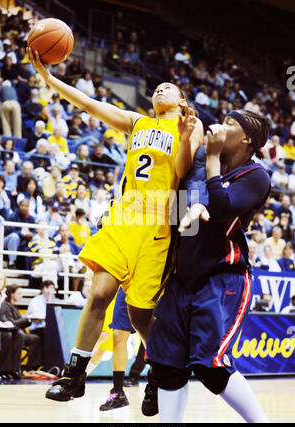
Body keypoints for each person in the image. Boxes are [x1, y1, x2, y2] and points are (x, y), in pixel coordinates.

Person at [27, 48, 203, 401]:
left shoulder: (190, 126)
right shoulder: (138, 122)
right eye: (157, 87)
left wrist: (184, 138)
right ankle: (75, 375)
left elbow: (183, 173)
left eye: (168, 87)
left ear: (184, 102)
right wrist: (49, 79)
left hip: (160, 225)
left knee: (140, 315)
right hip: (124, 218)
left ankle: (162, 372)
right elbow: (90, 105)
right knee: (100, 293)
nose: (159, 90)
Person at [145, 109, 271, 423]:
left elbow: (222, 206)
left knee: (209, 365)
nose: (220, 126)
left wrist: (212, 160)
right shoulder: (200, 165)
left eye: (230, 123)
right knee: (167, 365)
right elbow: (181, 218)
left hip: (223, 278)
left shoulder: (256, 176)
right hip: (182, 278)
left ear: (246, 139)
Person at [2, 285, 43, 370]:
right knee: (35, 339)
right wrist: (28, 319)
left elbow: (19, 322)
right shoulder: (6, 306)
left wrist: (28, 320)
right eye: (19, 293)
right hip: (13, 333)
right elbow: (12, 324)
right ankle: (30, 366)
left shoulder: (13, 306)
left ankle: (32, 366)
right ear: (12, 294)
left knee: (37, 337)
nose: (22, 296)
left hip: (18, 332)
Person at [0, 271, 24, 379]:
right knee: (7, 336)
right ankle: (2, 369)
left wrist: (6, 322)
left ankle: (14, 369)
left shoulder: (4, 298)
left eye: (1, 279)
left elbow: (4, 316)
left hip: (1, 328)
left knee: (20, 334)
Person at [27, 280, 56, 366]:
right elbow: (37, 316)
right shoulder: (35, 301)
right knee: (47, 336)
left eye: (51, 288)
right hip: (38, 328)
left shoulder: (55, 301)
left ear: (54, 290)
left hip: (49, 329)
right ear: (42, 289)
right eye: (46, 287)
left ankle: (53, 364)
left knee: (57, 337)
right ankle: (36, 365)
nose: (49, 290)